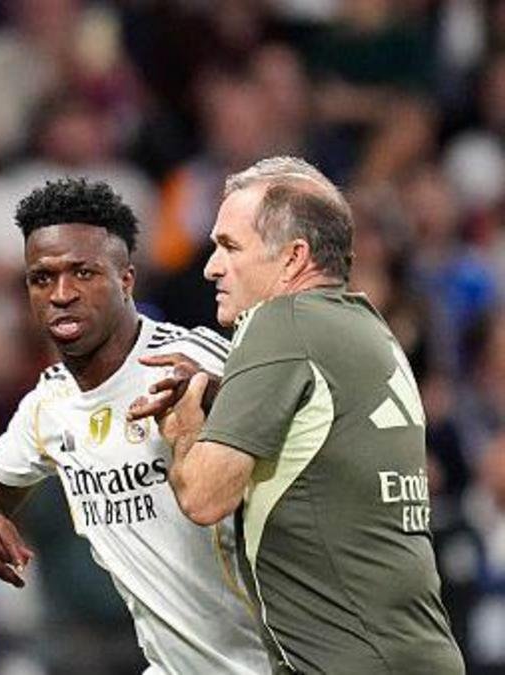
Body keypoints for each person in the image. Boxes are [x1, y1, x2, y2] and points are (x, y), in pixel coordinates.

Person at [152, 156, 464, 673]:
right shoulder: (369, 329)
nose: (211, 267)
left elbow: (205, 495)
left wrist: (185, 427)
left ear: (294, 257)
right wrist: (226, 395)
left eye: (230, 246)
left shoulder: (280, 322)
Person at [0, 178, 269, 674]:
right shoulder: (48, 406)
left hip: (265, 660)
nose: (61, 294)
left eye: (83, 273)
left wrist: (219, 398)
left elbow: (304, 443)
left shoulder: (190, 360)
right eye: (42, 278)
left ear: (126, 280)